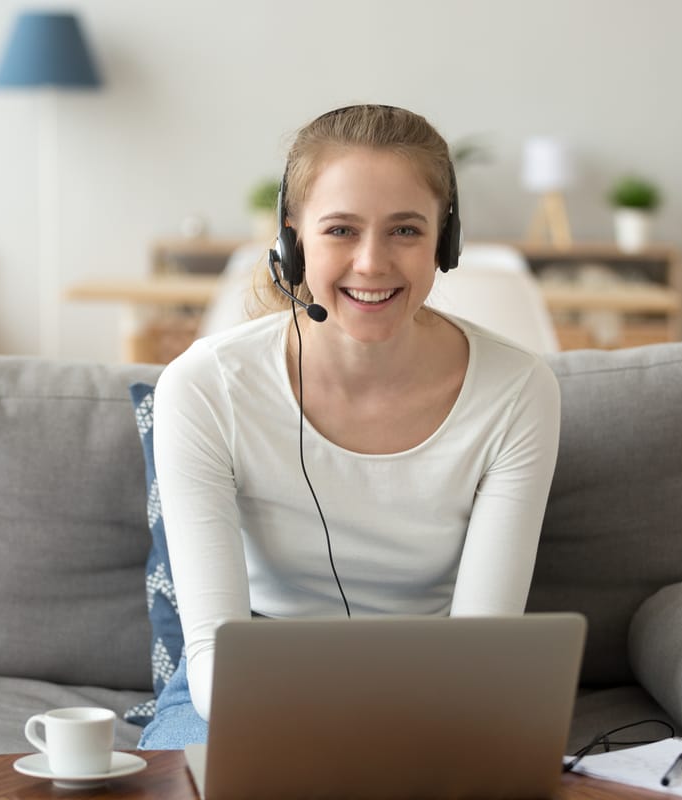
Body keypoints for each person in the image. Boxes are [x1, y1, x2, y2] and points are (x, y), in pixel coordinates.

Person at [139, 104, 561, 749]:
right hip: (243, 689)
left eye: (406, 230)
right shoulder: (204, 387)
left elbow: (482, 653)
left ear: (445, 241)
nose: (371, 263)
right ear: (292, 240)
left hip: (438, 686)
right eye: (340, 230)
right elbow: (216, 663)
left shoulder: (516, 390)